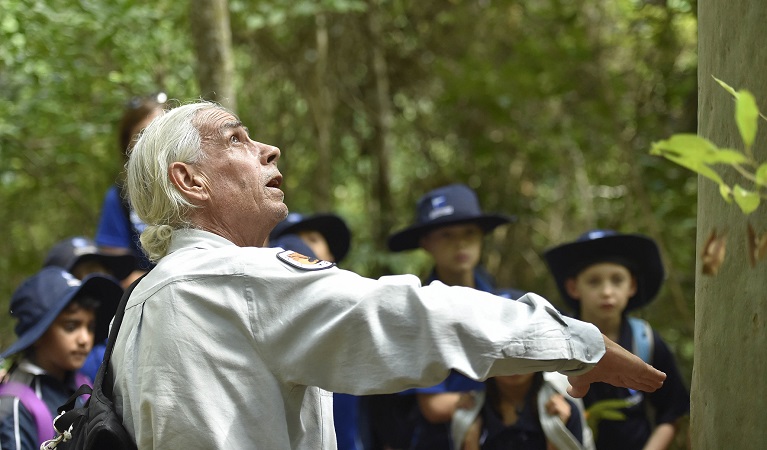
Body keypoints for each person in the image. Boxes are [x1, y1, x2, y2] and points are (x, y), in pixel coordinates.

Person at [111, 100, 665, 449]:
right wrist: (576, 342)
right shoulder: (234, 278)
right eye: (236, 139)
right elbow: (406, 317)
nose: (267, 148)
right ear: (190, 181)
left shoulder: (140, 305)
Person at [364, 183, 527, 450]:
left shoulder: (505, 302)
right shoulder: (414, 311)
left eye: (469, 233)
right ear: (426, 243)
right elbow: (433, 406)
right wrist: (508, 404)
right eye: (446, 235)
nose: (460, 243)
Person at [543, 230, 690, 450]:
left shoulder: (645, 340)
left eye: (617, 280)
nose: (607, 291)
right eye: (594, 282)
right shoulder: (554, 339)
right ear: (574, 287)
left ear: (632, 286)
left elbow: (671, 410)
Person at [0, 267, 122, 450]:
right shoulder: (16, 406)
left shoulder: (82, 384)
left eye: (90, 327)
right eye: (71, 326)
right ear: (38, 334)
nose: (84, 339)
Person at [269, 213, 362, 450]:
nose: (298, 249)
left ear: (330, 257)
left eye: (312, 239)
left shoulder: (353, 309)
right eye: (290, 241)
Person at [95, 92, 167, 287]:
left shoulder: (197, 183)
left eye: (161, 130)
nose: (152, 140)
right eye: (142, 134)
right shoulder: (119, 198)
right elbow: (119, 275)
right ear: (128, 143)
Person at [42, 236, 135, 381]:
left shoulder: (124, 334)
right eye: (84, 280)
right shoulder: (71, 355)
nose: (99, 291)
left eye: (105, 277)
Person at [451, 371, 594, 450]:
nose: (515, 363)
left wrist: (559, 439)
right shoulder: (468, 414)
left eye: (524, 349)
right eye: (504, 351)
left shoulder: (562, 411)